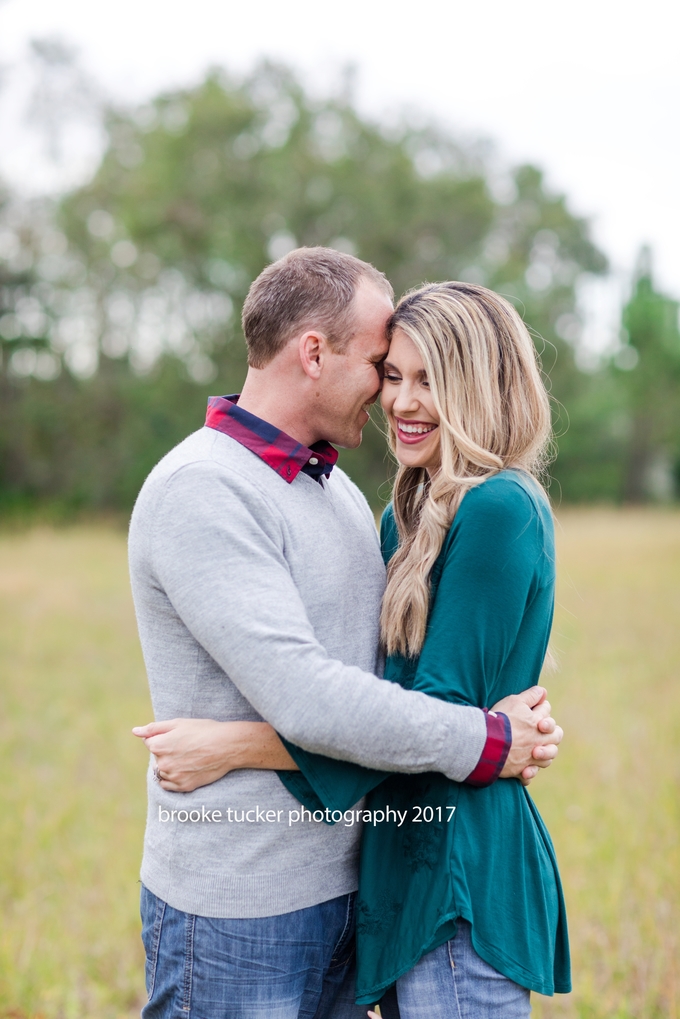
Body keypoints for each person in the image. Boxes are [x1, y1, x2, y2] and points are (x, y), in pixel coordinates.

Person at [129, 249, 562, 1018]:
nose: (393, 396)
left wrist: (237, 742)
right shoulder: (209, 488)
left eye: (423, 377)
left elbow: (399, 701)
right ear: (314, 352)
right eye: (386, 368)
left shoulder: (338, 494)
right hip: (245, 907)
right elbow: (332, 697)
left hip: (383, 883)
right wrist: (489, 736)